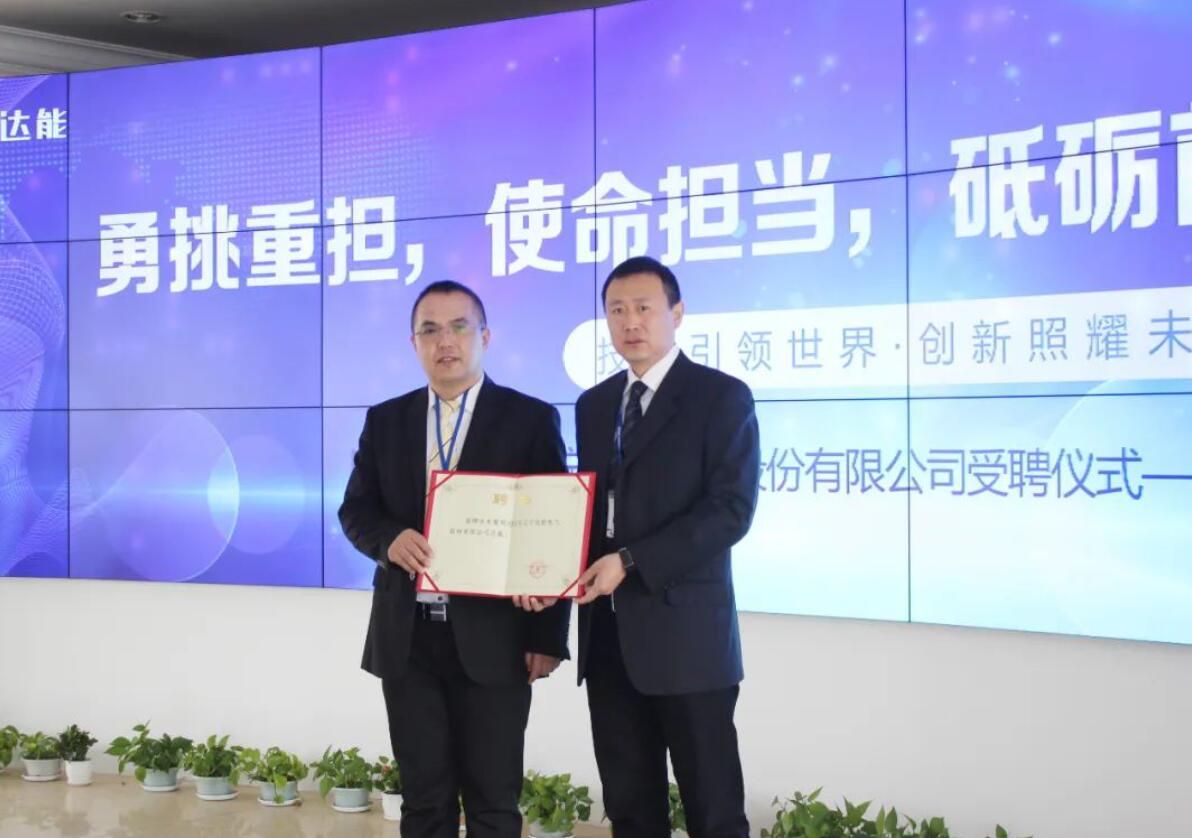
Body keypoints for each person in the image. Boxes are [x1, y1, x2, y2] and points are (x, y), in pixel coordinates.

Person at [339, 280, 570, 838]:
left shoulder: (530, 418)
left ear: (485, 336)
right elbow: (356, 509)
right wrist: (389, 539)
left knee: (493, 801)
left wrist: (547, 636)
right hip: (409, 638)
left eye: (459, 327)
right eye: (430, 330)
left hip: (497, 639)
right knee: (424, 801)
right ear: (413, 343)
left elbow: (554, 529)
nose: (445, 341)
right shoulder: (386, 420)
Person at [577, 256, 759, 837]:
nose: (630, 322)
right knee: (631, 810)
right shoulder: (593, 405)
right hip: (609, 640)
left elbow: (730, 510)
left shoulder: (720, 397)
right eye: (616, 310)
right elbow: (588, 511)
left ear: (676, 313)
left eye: (644, 308)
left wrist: (631, 561)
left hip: (688, 641)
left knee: (713, 810)